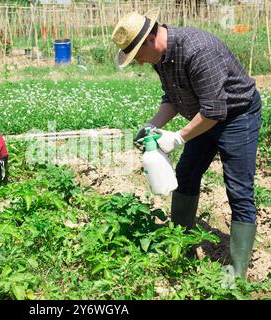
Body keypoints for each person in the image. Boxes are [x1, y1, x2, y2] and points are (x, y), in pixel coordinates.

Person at [111, 9, 262, 280]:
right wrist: (152, 125)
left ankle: (238, 272)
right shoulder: (160, 56)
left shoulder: (198, 50)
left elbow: (215, 111)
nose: (140, 63)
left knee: (239, 189)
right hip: (202, 116)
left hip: (237, 116)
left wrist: (178, 137)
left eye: (137, 57)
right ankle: (181, 243)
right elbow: (172, 97)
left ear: (149, 40)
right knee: (186, 174)